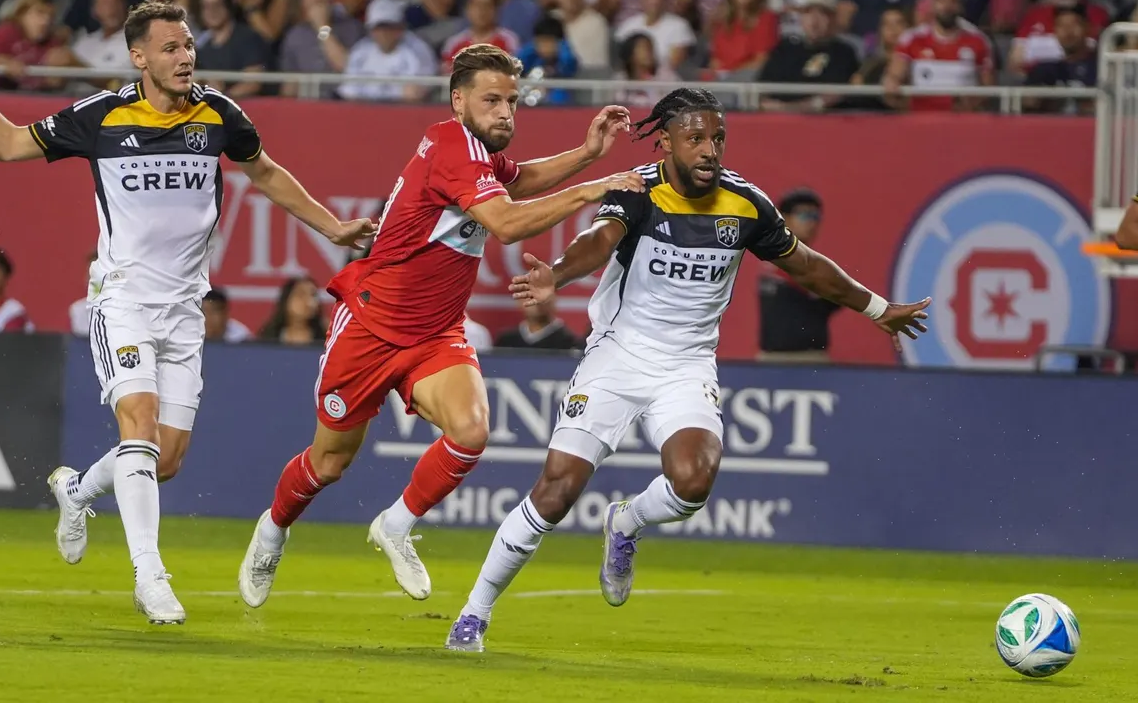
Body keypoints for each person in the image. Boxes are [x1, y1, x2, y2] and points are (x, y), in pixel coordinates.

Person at [444, 88, 931, 652]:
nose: (709, 150)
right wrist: (557, 273)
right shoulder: (639, 189)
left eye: (717, 138)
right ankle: (473, 616)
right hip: (617, 356)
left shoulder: (746, 205)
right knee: (555, 492)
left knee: (694, 482)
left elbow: (806, 266)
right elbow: (598, 241)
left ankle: (628, 521)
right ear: (667, 142)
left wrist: (876, 308)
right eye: (695, 138)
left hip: (687, 365)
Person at [0, 1, 373, 625]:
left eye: (188, 45)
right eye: (170, 47)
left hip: (185, 311)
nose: (185, 56)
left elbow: (266, 173)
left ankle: (76, 489)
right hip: (123, 301)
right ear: (137, 56)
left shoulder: (218, 113)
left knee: (164, 460)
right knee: (136, 427)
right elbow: (8, 145)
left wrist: (332, 227)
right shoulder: (102, 115)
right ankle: (151, 575)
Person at [236, 43, 645, 610]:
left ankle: (396, 524)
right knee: (328, 463)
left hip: (436, 335)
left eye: (513, 101)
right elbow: (505, 223)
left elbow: (518, 181)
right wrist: (590, 187)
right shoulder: (454, 147)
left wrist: (585, 152)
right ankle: (273, 529)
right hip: (371, 329)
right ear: (459, 101)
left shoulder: (474, 150)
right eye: (492, 100)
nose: (507, 112)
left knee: (472, 431)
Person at [757, 188, 839, 360]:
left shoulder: (817, 266)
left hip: (809, 358)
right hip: (770, 360)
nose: (812, 223)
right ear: (784, 218)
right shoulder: (770, 257)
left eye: (815, 217)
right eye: (804, 215)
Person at [256, 276, 327, 344]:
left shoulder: (327, 340)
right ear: (286, 300)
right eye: (301, 295)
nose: (308, 301)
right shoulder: (268, 339)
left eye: (313, 295)